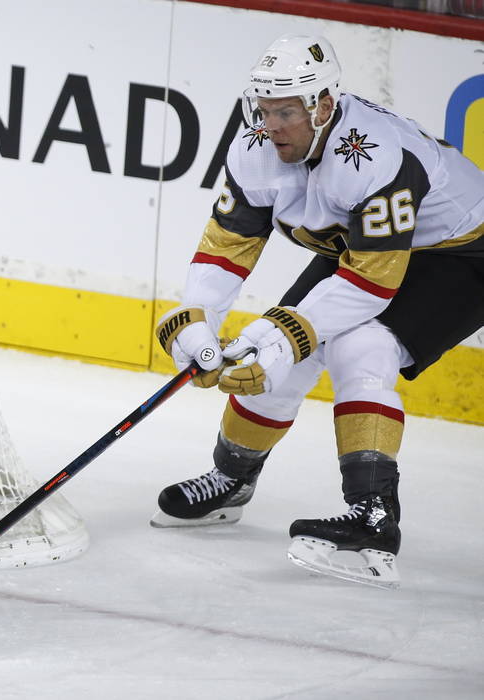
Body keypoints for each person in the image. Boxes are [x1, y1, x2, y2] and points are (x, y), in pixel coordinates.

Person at [152, 34, 484, 588]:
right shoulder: (256, 145)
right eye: (264, 109)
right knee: (277, 356)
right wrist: (198, 320)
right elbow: (227, 244)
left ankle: (374, 518)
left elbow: (370, 283)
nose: (271, 124)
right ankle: (231, 479)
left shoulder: (376, 156)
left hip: (463, 253)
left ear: (324, 106)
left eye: (285, 111)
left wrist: (285, 334)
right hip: (363, 251)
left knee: (361, 346)